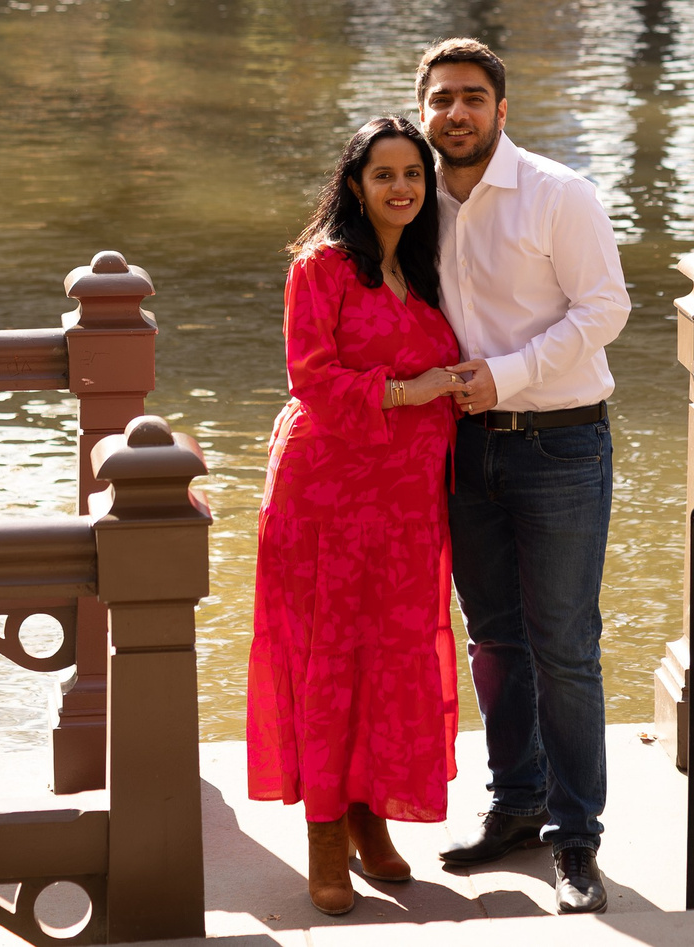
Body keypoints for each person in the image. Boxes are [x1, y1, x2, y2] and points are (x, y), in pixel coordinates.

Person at [418, 37, 631, 915]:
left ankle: (577, 840)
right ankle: (518, 801)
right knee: (495, 636)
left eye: (472, 97)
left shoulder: (558, 193)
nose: (456, 113)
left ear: (502, 111)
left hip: (559, 445)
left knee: (565, 646)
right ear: (422, 109)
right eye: (441, 99)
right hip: (463, 449)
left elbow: (606, 307)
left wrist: (505, 377)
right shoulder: (409, 197)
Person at [248, 115, 475, 917]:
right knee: (329, 656)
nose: (402, 188)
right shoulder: (323, 266)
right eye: (384, 174)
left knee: (393, 654)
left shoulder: (421, 264)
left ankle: (367, 812)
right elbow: (310, 376)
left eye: (413, 174)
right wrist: (415, 389)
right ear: (354, 183)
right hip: (329, 494)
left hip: (408, 504)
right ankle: (322, 832)